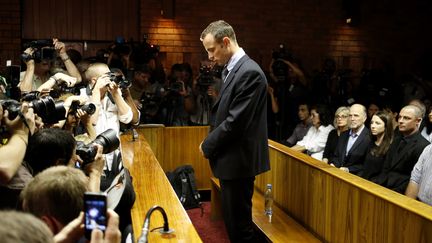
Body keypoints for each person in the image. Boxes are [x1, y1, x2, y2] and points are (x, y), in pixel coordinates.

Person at [198, 20, 270, 242]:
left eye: (211, 49)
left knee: (240, 228)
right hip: (232, 159)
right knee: (234, 224)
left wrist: (207, 144)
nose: (210, 56)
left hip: (239, 161)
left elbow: (235, 122)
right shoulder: (232, 69)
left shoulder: (250, 72)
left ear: (226, 42)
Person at [375, 105, 430, 193]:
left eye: (406, 118)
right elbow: (386, 166)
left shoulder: (423, 146)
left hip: (400, 194)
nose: (400, 121)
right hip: (382, 187)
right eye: (400, 117)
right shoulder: (396, 139)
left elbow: (414, 178)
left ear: (418, 121)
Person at [329, 104, 371, 174]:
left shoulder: (369, 137)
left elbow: (367, 165)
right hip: (338, 175)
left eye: (356, 115)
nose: (352, 119)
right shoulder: (343, 135)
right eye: (350, 115)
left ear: (364, 118)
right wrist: (333, 164)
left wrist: (348, 169)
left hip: (356, 179)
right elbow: (336, 156)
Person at [360, 111, 394, 181]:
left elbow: (385, 174)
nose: (373, 126)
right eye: (372, 122)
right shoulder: (370, 143)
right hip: (362, 182)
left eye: (377, 123)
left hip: (375, 186)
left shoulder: (390, 147)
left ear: (386, 126)